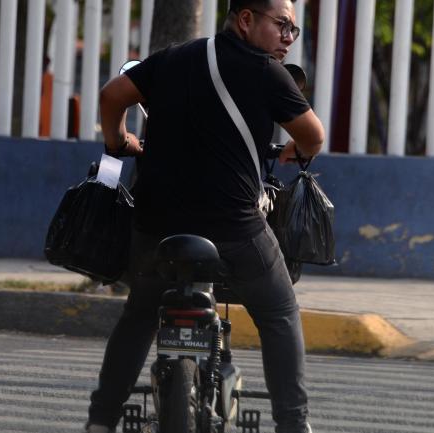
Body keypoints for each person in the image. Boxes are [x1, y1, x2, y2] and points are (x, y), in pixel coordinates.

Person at [86, 1, 323, 432]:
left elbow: (111, 96)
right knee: (280, 311)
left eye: (294, 30)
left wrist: (119, 140)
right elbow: (314, 134)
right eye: (282, 25)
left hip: (156, 229)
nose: (288, 38)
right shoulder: (266, 71)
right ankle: (294, 424)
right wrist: (299, 151)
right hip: (234, 232)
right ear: (247, 19)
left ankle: (100, 421)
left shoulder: (174, 57)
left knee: (140, 315)